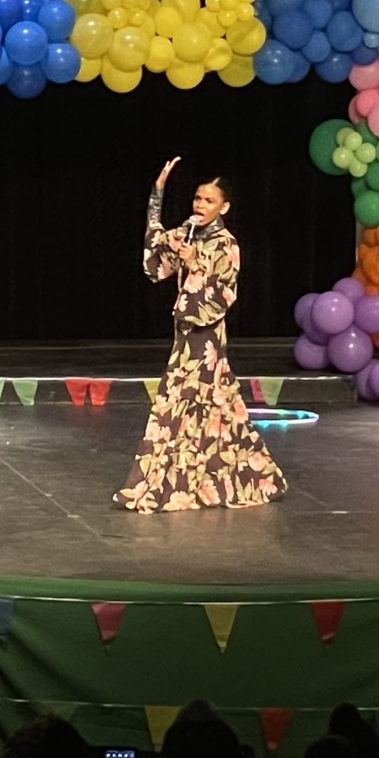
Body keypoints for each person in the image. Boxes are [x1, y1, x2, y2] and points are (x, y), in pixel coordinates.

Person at [113, 156, 286, 513]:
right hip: (184, 337)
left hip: (205, 339)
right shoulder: (187, 233)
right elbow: (155, 254)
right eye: (197, 198)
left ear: (224, 207)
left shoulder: (227, 244)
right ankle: (215, 481)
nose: (200, 205)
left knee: (185, 408)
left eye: (209, 200)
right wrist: (157, 193)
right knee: (206, 411)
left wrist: (195, 264)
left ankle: (179, 485)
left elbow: (223, 295)